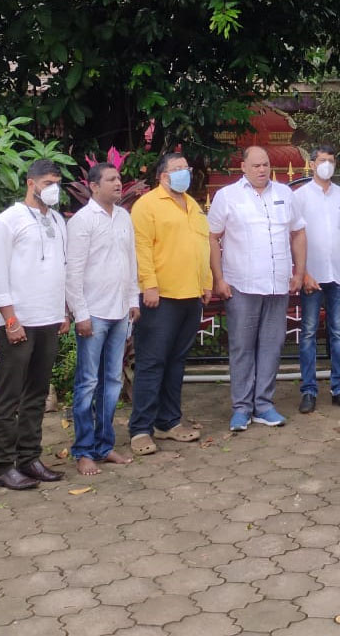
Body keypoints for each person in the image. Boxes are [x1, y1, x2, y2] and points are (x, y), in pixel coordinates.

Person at [0, 159, 69, 490]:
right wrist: (10, 318)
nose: (53, 189)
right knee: (9, 395)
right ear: (31, 184)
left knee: (37, 392)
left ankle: (29, 457)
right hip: (18, 320)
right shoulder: (9, 221)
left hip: (49, 318)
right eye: (48, 183)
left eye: (57, 183)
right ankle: (3, 466)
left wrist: (63, 311)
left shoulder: (57, 220)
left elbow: (61, 267)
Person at [208, 146, 307, 432]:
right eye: (256, 166)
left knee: (272, 346)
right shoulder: (227, 196)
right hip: (241, 284)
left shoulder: (285, 194)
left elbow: (298, 232)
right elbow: (212, 237)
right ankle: (241, 408)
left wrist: (299, 272)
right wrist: (218, 278)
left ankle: (263, 404)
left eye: (265, 164)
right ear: (243, 167)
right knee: (242, 346)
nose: (262, 170)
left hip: (277, 284)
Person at [129, 152, 212, 454]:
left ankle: (168, 422)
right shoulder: (147, 205)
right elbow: (141, 248)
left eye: (186, 168)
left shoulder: (192, 205)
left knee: (176, 362)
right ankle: (141, 429)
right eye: (177, 169)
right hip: (160, 297)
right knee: (151, 363)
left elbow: (202, 247)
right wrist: (149, 285)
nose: (184, 173)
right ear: (163, 176)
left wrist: (206, 283)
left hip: (191, 295)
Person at [66, 162, 139, 474]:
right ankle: (83, 450)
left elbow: (130, 262)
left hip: (120, 310)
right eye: (111, 179)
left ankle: (104, 446)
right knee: (87, 382)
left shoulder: (123, 217)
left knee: (111, 381)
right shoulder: (82, 221)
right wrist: (80, 313)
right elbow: (73, 272)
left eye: (119, 178)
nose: (118, 183)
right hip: (93, 313)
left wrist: (133, 299)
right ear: (94, 187)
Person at [296, 145, 340, 413]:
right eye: (322, 160)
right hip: (311, 275)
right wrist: (303, 273)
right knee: (309, 333)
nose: (327, 165)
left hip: (339, 275)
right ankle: (309, 390)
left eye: (331, 161)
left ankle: (339, 387)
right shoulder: (299, 197)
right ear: (312, 164)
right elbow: (294, 236)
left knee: (337, 332)